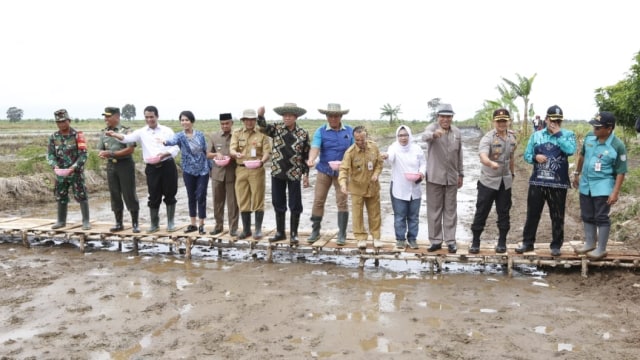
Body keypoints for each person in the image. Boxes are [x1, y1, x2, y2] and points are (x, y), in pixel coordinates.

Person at [106, 105, 180, 233]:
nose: (149, 119)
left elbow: (176, 147)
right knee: (153, 196)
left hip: (167, 165)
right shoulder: (142, 132)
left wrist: (165, 154)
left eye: (152, 117)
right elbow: (127, 138)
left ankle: (170, 223)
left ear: (157, 116)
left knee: (170, 194)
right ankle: (154, 224)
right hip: (152, 168)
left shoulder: (167, 131)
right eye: (147, 117)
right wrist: (115, 135)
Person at [516, 105, 577, 256]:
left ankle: (556, 245)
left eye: (558, 120)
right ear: (546, 119)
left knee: (557, 214)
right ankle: (527, 243)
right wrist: (535, 158)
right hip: (538, 182)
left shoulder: (568, 135)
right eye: (552, 120)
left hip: (558, 183)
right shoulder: (536, 136)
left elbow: (570, 150)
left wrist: (558, 134)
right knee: (532, 214)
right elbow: (526, 155)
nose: (555, 123)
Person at [572, 111, 627, 260]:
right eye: (594, 127)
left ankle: (601, 248)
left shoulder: (617, 146)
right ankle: (590, 243)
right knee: (587, 215)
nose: (594, 130)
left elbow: (621, 171)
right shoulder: (590, 138)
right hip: (586, 185)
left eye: (598, 128)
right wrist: (577, 173)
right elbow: (582, 155)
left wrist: (615, 192)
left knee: (601, 217)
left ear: (609, 129)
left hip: (603, 186)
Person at [257, 103, 310, 245]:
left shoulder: (303, 133)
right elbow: (262, 127)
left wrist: (306, 175)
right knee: (277, 202)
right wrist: (261, 115)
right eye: (284, 115)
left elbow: (306, 156)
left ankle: (294, 234)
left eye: (290, 115)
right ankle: (280, 232)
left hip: (294, 172)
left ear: (295, 117)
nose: (286, 118)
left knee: (295, 204)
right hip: (277, 171)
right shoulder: (276, 128)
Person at [469, 108, 517, 254]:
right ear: (494, 122)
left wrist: (512, 173)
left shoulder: (512, 138)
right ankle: (476, 241)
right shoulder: (488, 138)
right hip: (488, 181)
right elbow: (482, 156)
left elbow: (511, 157)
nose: (502, 124)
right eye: (499, 121)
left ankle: (502, 242)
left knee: (504, 211)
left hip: (505, 182)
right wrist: (490, 163)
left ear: (508, 121)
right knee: (482, 211)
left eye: (504, 121)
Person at [305, 103, 353, 245]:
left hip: (342, 172)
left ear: (341, 116)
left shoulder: (349, 131)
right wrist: (311, 159)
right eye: (330, 116)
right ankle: (315, 230)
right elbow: (315, 147)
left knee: (342, 201)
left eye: (336, 116)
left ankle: (342, 234)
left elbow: (354, 149)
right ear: (326, 117)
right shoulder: (321, 131)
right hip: (324, 170)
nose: (333, 119)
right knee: (319, 200)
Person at [421, 103, 464, 253]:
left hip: (452, 177)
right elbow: (424, 136)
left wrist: (461, 174)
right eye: (442, 116)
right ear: (438, 117)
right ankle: (435, 240)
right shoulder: (432, 128)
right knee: (434, 210)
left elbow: (459, 155)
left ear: (452, 117)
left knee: (451, 210)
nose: (445, 119)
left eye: (448, 116)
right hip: (434, 177)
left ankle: (451, 241)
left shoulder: (457, 132)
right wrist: (434, 135)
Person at [163, 111, 212, 235]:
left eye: (187, 120)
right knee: (191, 196)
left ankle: (201, 224)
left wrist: (210, 168)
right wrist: (164, 142)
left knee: (201, 196)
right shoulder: (179, 136)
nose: (184, 122)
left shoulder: (200, 135)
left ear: (192, 121)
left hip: (203, 170)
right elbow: (172, 141)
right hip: (188, 170)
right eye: (182, 120)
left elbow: (206, 151)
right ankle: (193, 224)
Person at [381, 125, 426, 250]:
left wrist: (422, 173)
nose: (403, 138)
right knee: (400, 215)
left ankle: (412, 239)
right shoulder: (394, 147)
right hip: (399, 186)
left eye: (405, 135)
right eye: (400, 135)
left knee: (414, 216)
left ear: (410, 135)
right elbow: (390, 156)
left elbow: (423, 163)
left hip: (415, 185)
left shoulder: (417, 148)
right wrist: (385, 156)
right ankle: (400, 239)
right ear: (397, 136)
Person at [338, 126, 383, 249]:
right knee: (357, 214)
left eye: (362, 140)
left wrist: (376, 174)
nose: (360, 143)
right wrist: (342, 184)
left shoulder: (374, 147)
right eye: (357, 140)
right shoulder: (350, 152)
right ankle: (360, 237)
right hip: (357, 188)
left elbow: (379, 163)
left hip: (373, 187)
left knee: (375, 213)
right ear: (354, 138)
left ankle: (376, 237)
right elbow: (343, 169)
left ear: (366, 137)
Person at [98, 106, 141, 233]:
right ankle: (118, 223)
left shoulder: (126, 131)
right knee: (115, 194)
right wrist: (102, 154)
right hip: (111, 166)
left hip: (125, 165)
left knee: (129, 194)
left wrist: (111, 153)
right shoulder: (104, 132)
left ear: (117, 116)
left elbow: (130, 149)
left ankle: (135, 224)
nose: (106, 119)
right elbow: (101, 148)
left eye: (108, 116)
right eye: (105, 116)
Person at [230, 109, 271, 240]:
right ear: (243, 121)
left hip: (257, 170)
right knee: (242, 199)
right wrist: (235, 153)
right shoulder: (237, 133)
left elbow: (267, 152)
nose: (249, 122)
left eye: (252, 119)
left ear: (255, 121)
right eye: (247, 119)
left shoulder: (262, 133)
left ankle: (258, 230)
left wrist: (262, 161)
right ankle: (246, 229)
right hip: (241, 169)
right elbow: (232, 148)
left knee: (258, 198)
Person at [47, 109, 91, 230]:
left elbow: (83, 154)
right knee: (61, 195)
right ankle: (61, 221)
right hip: (60, 173)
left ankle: (86, 221)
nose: (61, 124)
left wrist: (74, 167)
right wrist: (54, 165)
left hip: (75, 172)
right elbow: (50, 155)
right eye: (58, 122)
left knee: (81, 195)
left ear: (69, 121)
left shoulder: (78, 135)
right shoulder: (54, 137)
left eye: (63, 121)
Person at [208, 113, 239, 236]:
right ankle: (218, 226)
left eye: (227, 123)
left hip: (232, 173)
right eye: (222, 124)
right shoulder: (214, 136)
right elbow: (208, 154)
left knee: (233, 203)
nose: (225, 126)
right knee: (217, 202)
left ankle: (233, 229)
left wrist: (234, 156)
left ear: (232, 123)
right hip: (217, 174)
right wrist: (217, 155)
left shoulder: (237, 136)